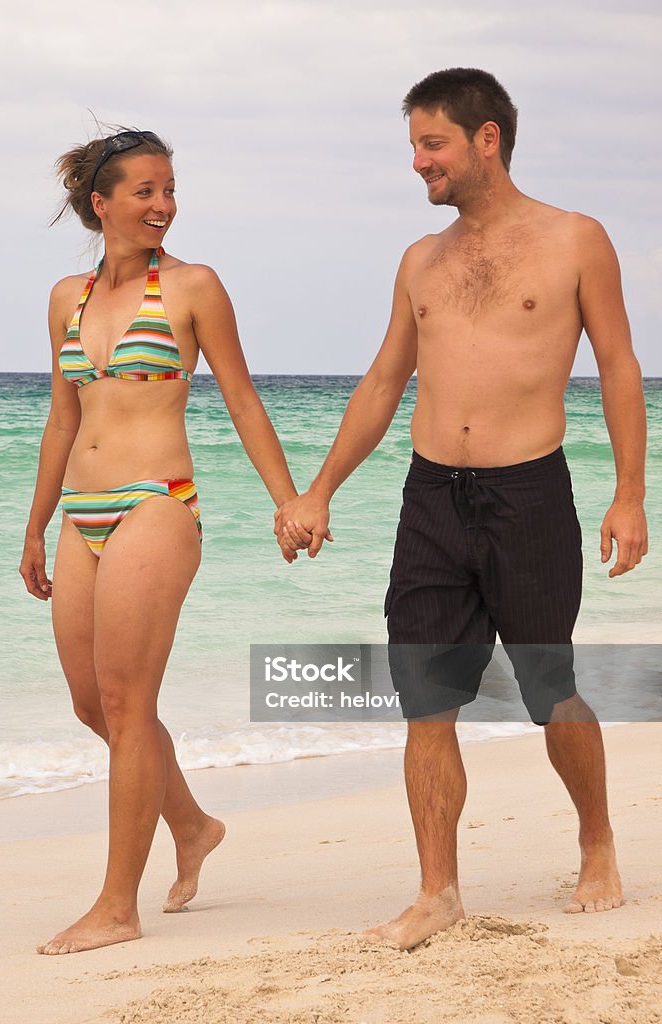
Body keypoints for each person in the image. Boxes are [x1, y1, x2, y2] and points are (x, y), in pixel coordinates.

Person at [274, 68, 648, 950]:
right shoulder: (420, 260)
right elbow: (382, 380)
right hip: (431, 494)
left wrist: (629, 494)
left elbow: (622, 367)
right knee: (426, 697)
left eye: (431, 143)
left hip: (529, 494)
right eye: (413, 145)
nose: (417, 162)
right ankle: (437, 891)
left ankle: (597, 842)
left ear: (486, 139)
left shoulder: (575, 239)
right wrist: (320, 489)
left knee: (547, 687)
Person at [20, 128, 300, 955]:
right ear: (101, 204)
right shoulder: (65, 297)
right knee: (90, 701)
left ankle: (117, 904)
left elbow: (244, 400)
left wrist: (288, 502)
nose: (163, 205)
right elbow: (62, 418)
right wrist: (35, 524)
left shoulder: (193, 287)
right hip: (83, 510)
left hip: (156, 503)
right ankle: (191, 823)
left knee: (127, 701)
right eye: (145, 191)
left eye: (169, 189)